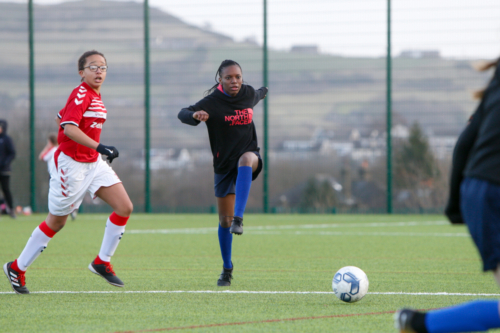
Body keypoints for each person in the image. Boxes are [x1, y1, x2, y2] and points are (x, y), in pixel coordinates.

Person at [3, 50, 133, 294]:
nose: (98, 71)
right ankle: (17, 268)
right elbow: (70, 128)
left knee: (124, 207)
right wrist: (100, 146)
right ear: (81, 72)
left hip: (93, 163)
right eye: (92, 67)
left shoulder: (92, 95)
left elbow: (60, 119)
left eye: (103, 67)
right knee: (57, 221)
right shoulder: (81, 92)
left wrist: (87, 144)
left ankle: (102, 262)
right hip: (72, 165)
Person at [395, 58, 500, 332]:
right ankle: (421, 324)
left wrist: (456, 202)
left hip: (479, 190)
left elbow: (465, 142)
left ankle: (418, 323)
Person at [178, 59, 267, 286]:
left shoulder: (247, 94)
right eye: (229, 78)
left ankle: (240, 218)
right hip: (224, 165)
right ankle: (227, 268)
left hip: (249, 156)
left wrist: (264, 91)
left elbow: (257, 94)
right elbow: (183, 113)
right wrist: (195, 116)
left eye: (238, 77)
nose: (234, 81)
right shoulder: (212, 102)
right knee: (223, 221)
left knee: (247, 159)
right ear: (220, 80)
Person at [39, 133, 77, 221]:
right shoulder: (61, 149)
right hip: (64, 174)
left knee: (54, 194)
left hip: (53, 175)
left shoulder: (52, 150)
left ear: (50, 142)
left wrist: (47, 147)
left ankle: (55, 213)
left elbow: (41, 157)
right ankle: (71, 208)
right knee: (64, 193)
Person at [0, 119, 16, 219]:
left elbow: (12, 153)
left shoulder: (7, 139)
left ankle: (11, 210)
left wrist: (5, 163)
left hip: (4, 170)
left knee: (6, 190)